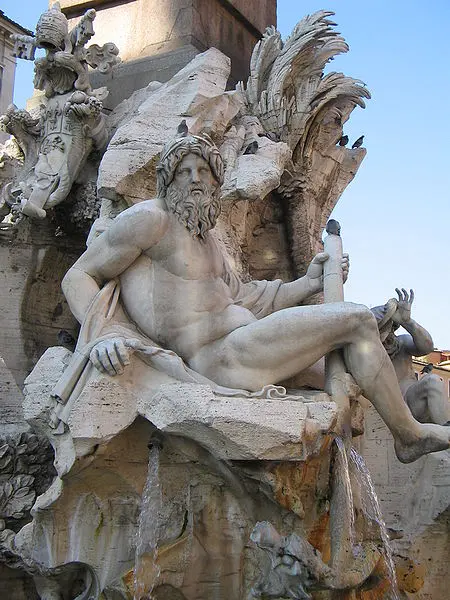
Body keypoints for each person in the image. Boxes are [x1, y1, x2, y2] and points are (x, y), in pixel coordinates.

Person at [61, 133, 450, 463]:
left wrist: (309, 283)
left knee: (353, 361)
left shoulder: (207, 240)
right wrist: (104, 333)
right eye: (185, 172)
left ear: (216, 182)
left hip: (247, 344)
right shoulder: (150, 220)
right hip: (220, 358)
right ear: (168, 180)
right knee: (357, 320)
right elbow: (78, 275)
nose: (196, 180)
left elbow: (247, 298)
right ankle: (409, 436)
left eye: (204, 172)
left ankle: (416, 412)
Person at [372, 289, 450, 425]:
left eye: (389, 328)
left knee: (433, 381)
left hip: (410, 400)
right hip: (385, 408)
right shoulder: (365, 353)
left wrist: (407, 322)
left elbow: (427, 347)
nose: (387, 334)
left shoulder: (401, 343)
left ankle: (446, 435)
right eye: (382, 329)